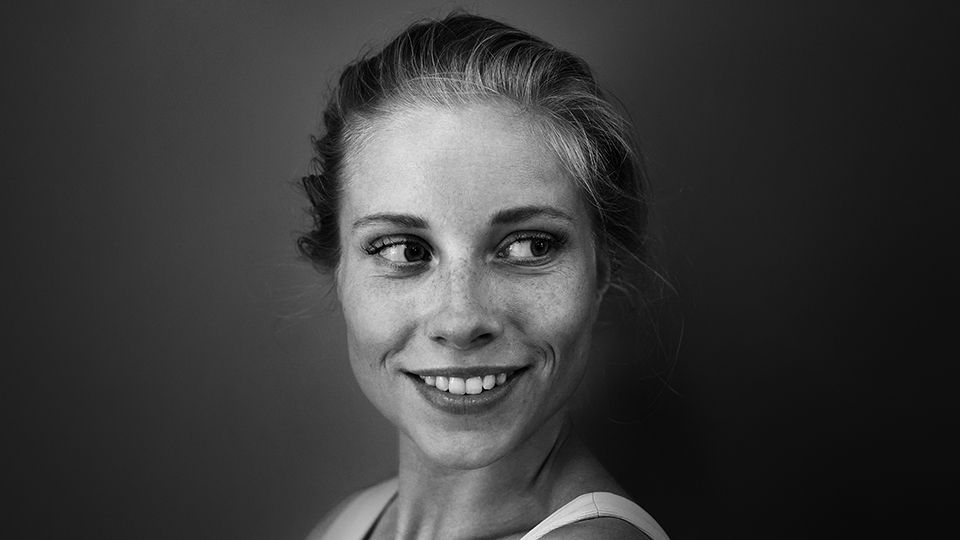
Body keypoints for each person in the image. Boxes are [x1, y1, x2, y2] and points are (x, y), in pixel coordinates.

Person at [297, 12, 671, 540]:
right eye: (404, 250)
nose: (461, 320)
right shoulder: (347, 523)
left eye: (529, 246)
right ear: (340, 272)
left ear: (599, 271)